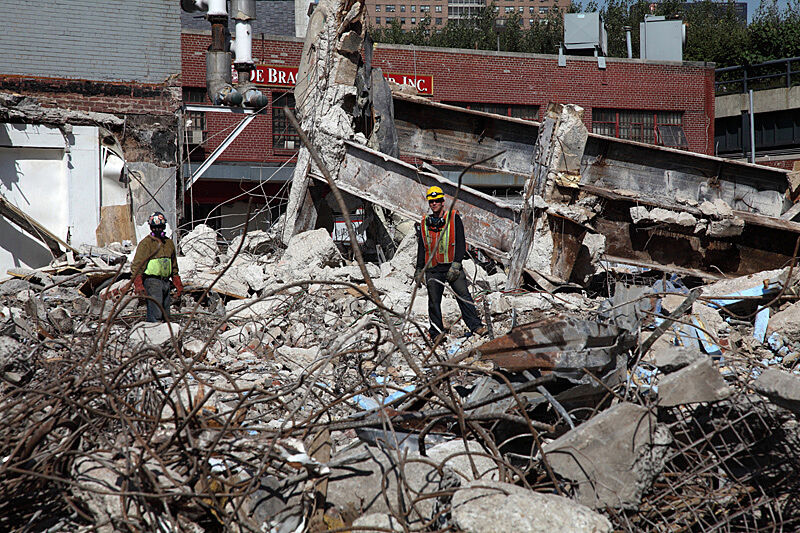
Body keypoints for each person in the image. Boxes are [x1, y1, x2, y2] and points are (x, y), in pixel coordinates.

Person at [415, 186, 487, 341]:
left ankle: (476, 326)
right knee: (434, 302)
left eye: (437, 201)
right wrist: (419, 268)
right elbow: (422, 247)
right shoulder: (424, 222)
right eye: (431, 201)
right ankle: (436, 333)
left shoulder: (453, 218)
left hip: (452, 266)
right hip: (433, 268)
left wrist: (456, 264)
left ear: (443, 201)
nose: (434, 203)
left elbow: (461, 242)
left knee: (463, 296)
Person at [131, 212, 183, 322]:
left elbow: (173, 263)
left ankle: (166, 335)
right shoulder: (146, 243)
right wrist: (138, 283)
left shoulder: (168, 243)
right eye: (155, 228)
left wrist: (176, 280)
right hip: (152, 281)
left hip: (165, 281)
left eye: (160, 227)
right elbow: (137, 265)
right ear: (151, 228)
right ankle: (154, 331)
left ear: (164, 227)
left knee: (166, 313)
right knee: (156, 312)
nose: (158, 230)